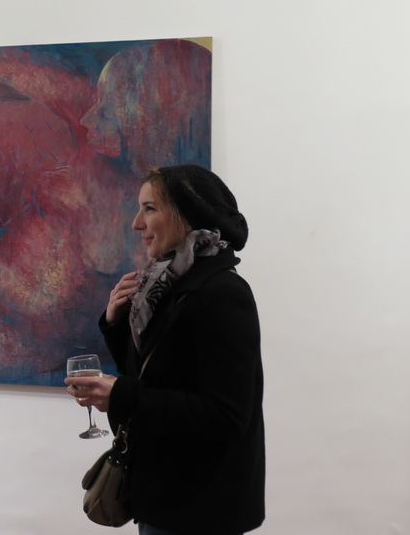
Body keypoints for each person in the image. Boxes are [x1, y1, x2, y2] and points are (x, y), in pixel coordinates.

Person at [67, 164, 265, 535]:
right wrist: (116, 324)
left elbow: (226, 415)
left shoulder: (222, 292)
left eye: (150, 208)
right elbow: (157, 373)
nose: (136, 224)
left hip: (199, 510)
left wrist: (121, 395)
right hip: (165, 497)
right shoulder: (166, 287)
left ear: (187, 215)